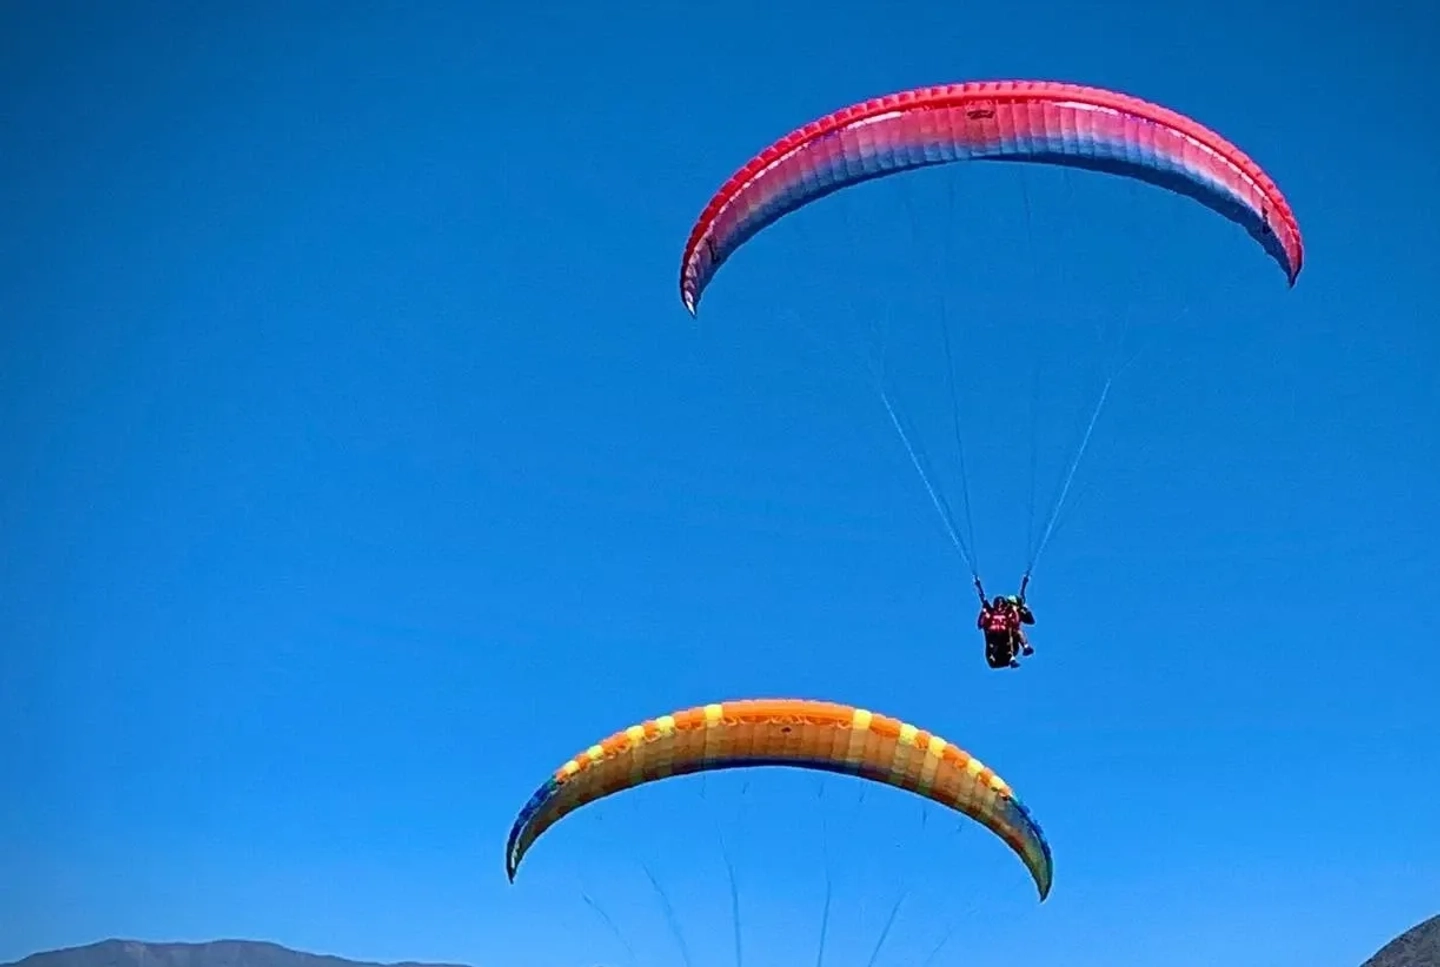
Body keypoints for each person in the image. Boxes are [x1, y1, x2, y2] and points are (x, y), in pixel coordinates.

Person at [975, 583, 1036, 669]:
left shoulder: (1009, 613)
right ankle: (1010, 657)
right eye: (997, 605)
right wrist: (983, 613)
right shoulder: (990, 613)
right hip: (994, 650)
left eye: (1001, 605)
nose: (999, 608)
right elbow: (980, 624)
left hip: (1007, 644)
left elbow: (1022, 622)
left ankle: (1024, 648)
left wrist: (1019, 610)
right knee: (1001, 633)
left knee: (1015, 630)